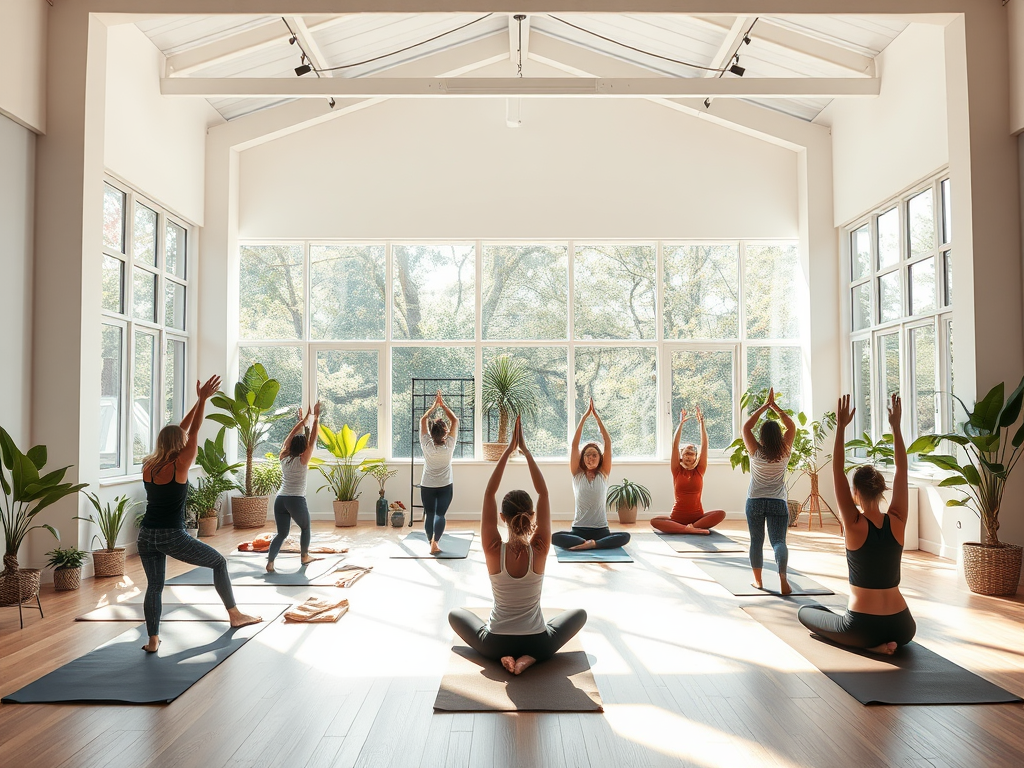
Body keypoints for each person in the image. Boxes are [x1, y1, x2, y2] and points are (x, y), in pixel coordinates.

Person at [449, 416, 588, 675]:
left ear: (502, 517)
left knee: (455, 614)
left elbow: (489, 494)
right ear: (533, 515)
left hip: (495, 642)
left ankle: (502, 657)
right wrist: (525, 451)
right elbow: (544, 493)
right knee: (579, 614)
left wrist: (507, 452)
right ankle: (531, 658)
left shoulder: (493, 548)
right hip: (537, 641)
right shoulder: (540, 548)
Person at [137, 376, 262, 653]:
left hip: (145, 536)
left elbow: (179, 432)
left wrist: (198, 401)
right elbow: (191, 433)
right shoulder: (181, 462)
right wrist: (203, 400)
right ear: (179, 444)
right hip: (172, 535)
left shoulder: (149, 464)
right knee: (218, 562)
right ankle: (234, 615)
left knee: (155, 586)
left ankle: (153, 640)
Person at [798, 394, 916, 655]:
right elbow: (902, 470)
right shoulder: (897, 519)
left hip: (863, 626)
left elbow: (836, 470)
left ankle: (874, 648)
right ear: (882, 490)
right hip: (904, 626)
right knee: (828, 616)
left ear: (855, 494)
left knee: (806, 613)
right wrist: (896, 427)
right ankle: (887, 643)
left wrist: (840, 427)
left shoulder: (852, 523)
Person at [551, 400, 631, 551]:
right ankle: (589, 543)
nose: (590, 458)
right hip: (579, 529)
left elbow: (608, 442)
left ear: (600, 458)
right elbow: (574, 445)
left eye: (594, 455)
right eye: (587, 455)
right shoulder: (577, 474)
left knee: (625, 536)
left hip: (601, 530)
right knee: (554, 537)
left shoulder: (604, 474)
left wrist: (596, 417)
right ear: (582, 458)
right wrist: (584, 417)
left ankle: (592, 544)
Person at [742, 388, 796, 594]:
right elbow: (791, 426)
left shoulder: (755, 451)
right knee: (779, 541)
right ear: (779, 436)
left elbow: (746, 427)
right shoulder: (785, 451)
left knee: (756, 541)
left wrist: (764, 406)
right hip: (777, 502)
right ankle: (783, 578)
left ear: (762, 436)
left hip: (755, 501)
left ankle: (759, 581)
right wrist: (776, 408)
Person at [651, 407, 727, 535]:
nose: (688, 456)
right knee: (655, 521)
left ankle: (690, 528)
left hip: (697, 517)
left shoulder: (700, 470)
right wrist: (680, 424)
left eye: (691, 454)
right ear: (681, 456)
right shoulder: (676, 470)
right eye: (685, 453)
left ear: (695, 457)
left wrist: (702, 424)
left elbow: (704, 445)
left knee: (721, 514)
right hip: (677, 517)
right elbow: (675, 445)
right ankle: (689, 529)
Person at [266, 401, 321, 573]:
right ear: (304, 448)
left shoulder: (284, 457)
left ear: (290, 447)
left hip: (280, 500)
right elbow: (312, 440)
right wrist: (317, 418)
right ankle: (304, 556)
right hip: (296, 500)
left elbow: (289, 437)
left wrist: (304, 420)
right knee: (305, 528)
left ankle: (270, 562)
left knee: (282, 533)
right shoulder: (303, 460)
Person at [420, 390, 459, 555]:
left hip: (427, 485)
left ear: (431, 432)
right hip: (445, 485)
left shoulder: (426, 444)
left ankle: (431, 542)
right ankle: (435, 542)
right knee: (440, 514)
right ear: (445, 432)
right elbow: (455, 420)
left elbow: (423, 420)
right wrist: (443, 405)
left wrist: (434, 406)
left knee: (430, 514)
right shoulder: (449, 444)